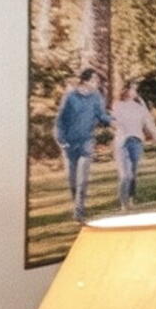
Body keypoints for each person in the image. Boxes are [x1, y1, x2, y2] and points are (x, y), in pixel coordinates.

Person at [53, 68, 108, 223]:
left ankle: (79, 211)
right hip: (69, 143)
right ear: (85, 81)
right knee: (72, 180)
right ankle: (77, 204)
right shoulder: (70, 97)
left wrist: (113, 121)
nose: (97, 83)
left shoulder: (97, 97)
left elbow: (101, 115)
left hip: (86, 142)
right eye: (95, 80)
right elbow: (60, 119)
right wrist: (60, 139)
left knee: (82, 179)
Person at [107, 84, 156, 211]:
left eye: (135, 89)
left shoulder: (139, 107)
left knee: (133, 174)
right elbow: (114, 121)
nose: (134, 92)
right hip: (122, 143)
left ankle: (130, 199)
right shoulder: (118, 105)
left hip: (136, 142)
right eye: (132, 89)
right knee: (125, 175)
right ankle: (123, 203)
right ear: (126, 90)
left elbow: (148, 122)